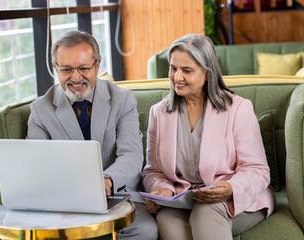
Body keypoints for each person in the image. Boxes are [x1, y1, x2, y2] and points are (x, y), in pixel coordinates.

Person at [142, 34, 276, 240]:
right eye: (173, 68)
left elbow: (257, 169)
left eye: (187, 71)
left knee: (205, 212)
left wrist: (231, 188)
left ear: (207, 73)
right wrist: (163, 189)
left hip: (237, 199)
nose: (177, 77)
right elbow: (153, 171)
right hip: (182, 201)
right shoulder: (158, 113)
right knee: (167, 218)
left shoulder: (238, 108)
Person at [27, 30, 158, 240]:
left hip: (118, 194)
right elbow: (37, 166)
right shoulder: (40, 110)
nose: (76, 78)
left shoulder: (123, 100)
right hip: (65, 200)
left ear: (97, 65)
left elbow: (132, 156)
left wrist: (105, 180)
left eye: (84, 68)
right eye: (67, 69)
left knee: (144, 230)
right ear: (55, 69)